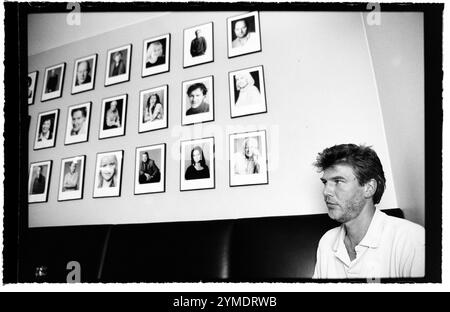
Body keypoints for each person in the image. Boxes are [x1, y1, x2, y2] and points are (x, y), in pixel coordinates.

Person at [312, 144, 425, 279]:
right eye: (325, 182)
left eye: (338, 181)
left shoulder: (411, 240)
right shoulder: (327, 241)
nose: (326, 192)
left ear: (369, 188)